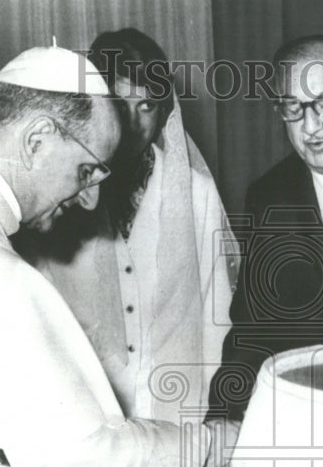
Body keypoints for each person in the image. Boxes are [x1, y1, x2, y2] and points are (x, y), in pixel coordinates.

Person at [0, 46, 225, 467]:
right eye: (86, 170)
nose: (91, 199)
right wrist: (211, 446)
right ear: (37, 139)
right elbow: (87, 452)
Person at [16, 28, 236, 427]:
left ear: (164, 111)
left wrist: (214, 418)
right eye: (119, 104)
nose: (133, 124)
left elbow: (217, 314)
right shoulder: (57, 195)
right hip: (85, 422)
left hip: (179, 418)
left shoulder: (196, 193)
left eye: (147, 106)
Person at [207, 34, 323, 424]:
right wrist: (224, 415)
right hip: (314, 418)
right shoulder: (269, 197)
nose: (310, 126)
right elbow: (252, 330)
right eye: (293, 108)